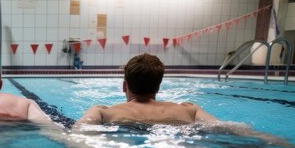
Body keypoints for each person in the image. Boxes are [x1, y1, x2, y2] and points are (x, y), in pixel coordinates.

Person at [76, 53, 218, 125]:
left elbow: (80, 133)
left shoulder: (103, 112)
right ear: (158, 86)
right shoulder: (190, 110)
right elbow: (227, 128)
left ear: (125, 86)